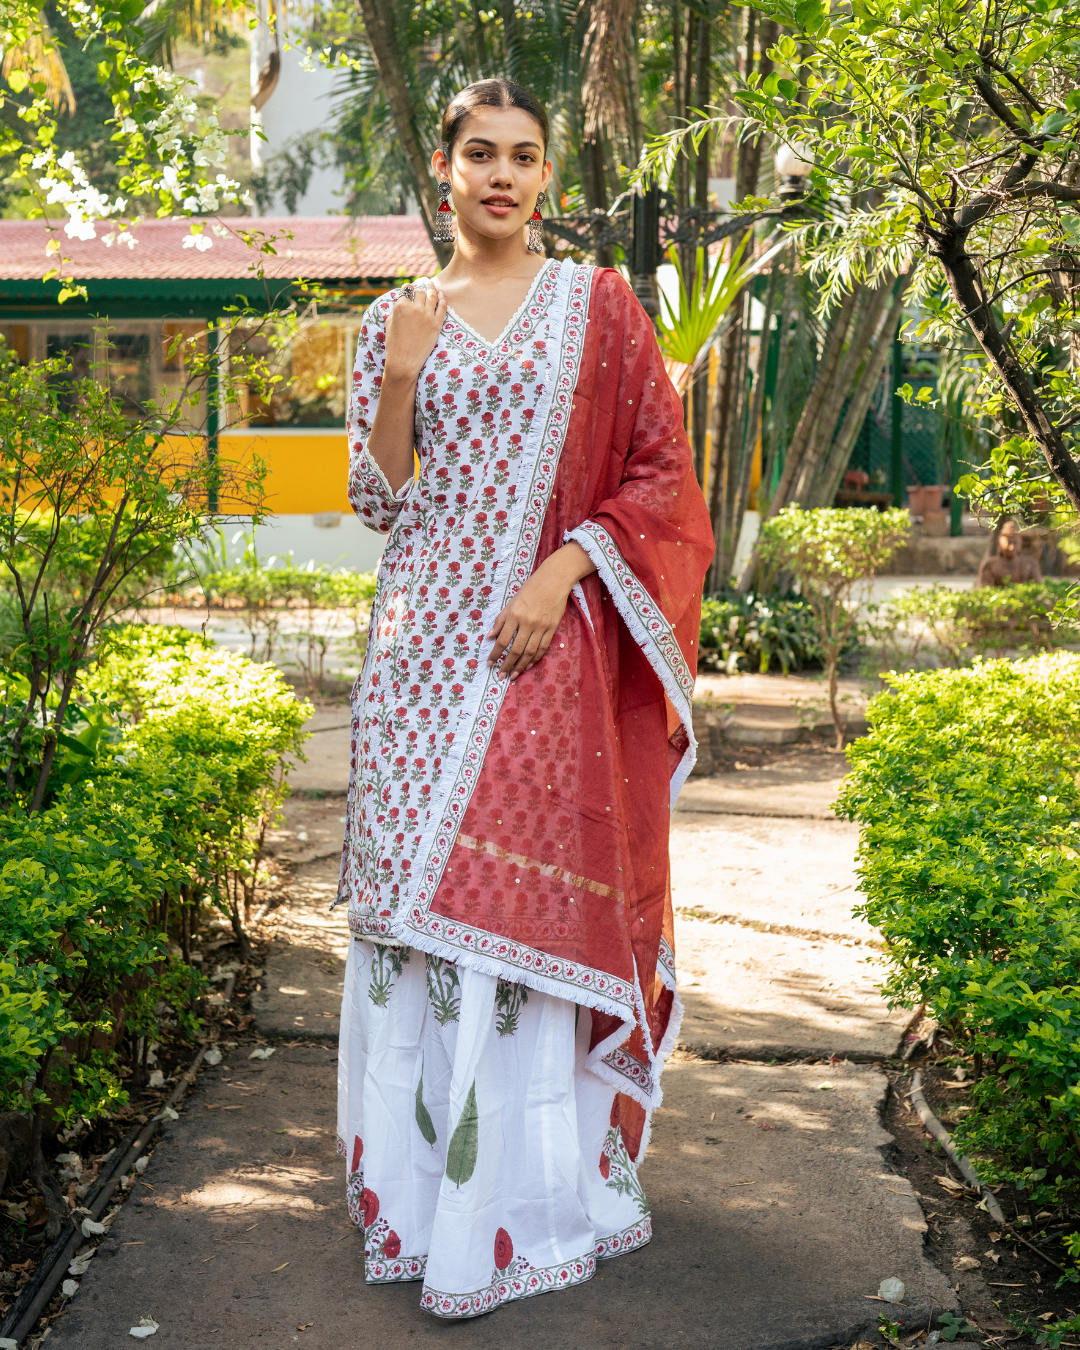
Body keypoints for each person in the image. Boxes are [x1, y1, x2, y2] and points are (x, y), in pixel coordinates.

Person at [334, 77, 713, 1320]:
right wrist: (398, 377)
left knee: (515, 922)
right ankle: (424, 1204)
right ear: (442, 170)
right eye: (480, 154)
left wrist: (565, 565)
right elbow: (382, 503)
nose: (503, 174)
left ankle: (518, 1211)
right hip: (415, 665)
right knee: (416, 932)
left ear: (547, 178)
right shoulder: (400, 316)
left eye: (527, 157)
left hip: (537, 655)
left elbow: (661, 472)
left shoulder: (596, 307)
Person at [977, 519, 1041, 587]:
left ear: (1020, 543)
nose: (1012, 547)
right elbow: (984, 590)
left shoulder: (1030, 564)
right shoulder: (989, 565)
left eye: (1015, 543)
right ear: (999, 541)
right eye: (1009, 543)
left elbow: (1038, 589)